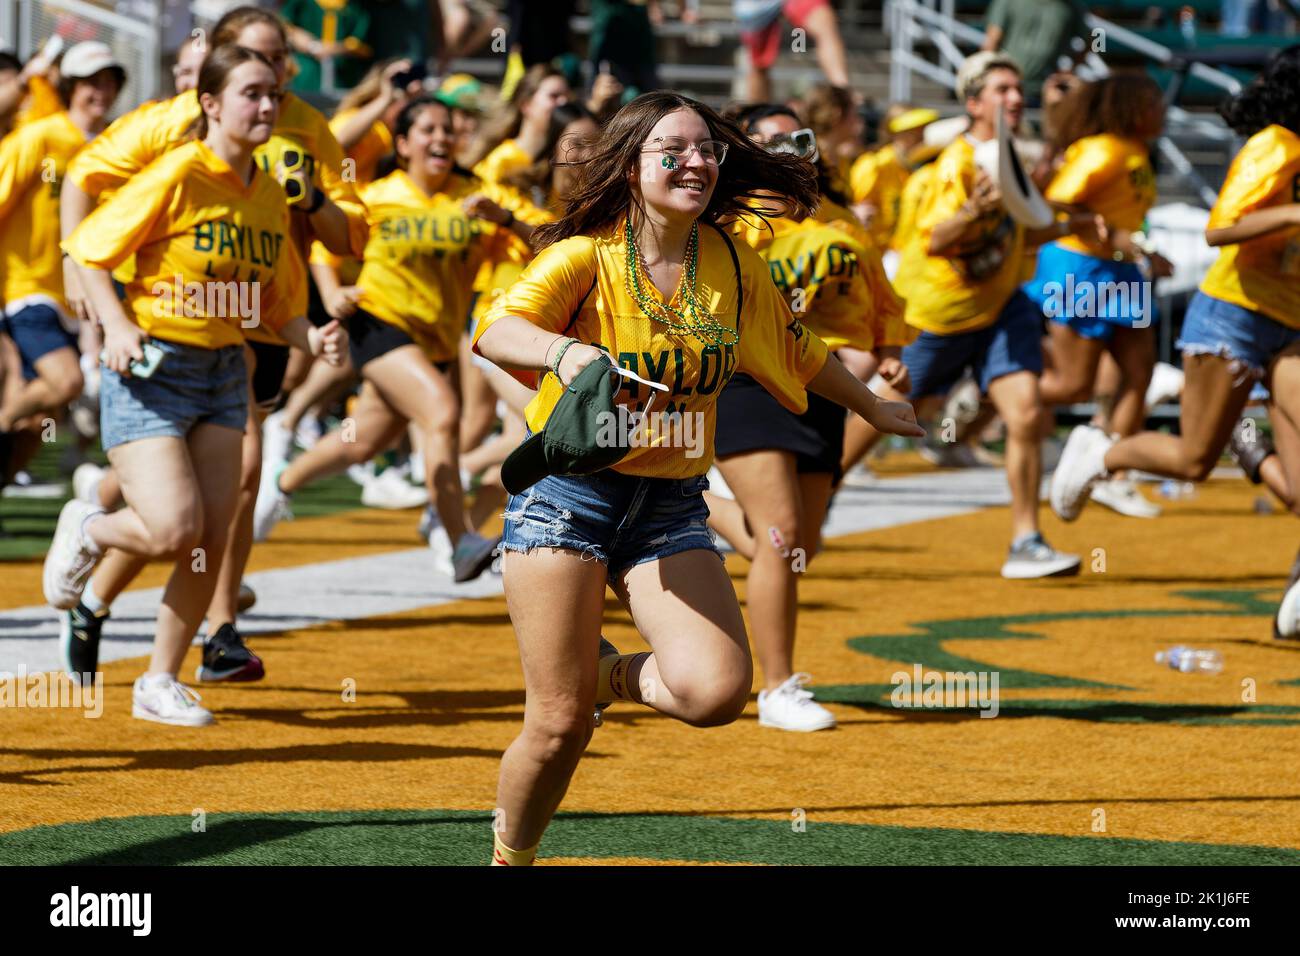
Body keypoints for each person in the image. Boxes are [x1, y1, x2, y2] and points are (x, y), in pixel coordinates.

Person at [472, 90, 924, 864]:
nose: (697, 162)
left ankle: (600, 672)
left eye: (708, 150)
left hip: (669, 504)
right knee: (558, 725)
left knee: (714, 693)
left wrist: (873, 407)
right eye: (673, 151)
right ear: (630, 165)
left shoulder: (733, 263)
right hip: (567, 501)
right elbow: (497, 330)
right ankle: (511, 857)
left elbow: (799, 346)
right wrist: (565, 352)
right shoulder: (587, 255)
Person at [58, 4, 368, 685]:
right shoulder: (170, 132)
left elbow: (348, 237)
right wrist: (96, 302)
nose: (274, 82)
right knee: (187, 513)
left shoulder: (303, 135)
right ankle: (152, 593)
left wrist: (313, 206)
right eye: (257, 68)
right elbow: (84, 189)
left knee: (214, 508)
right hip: (165, 340)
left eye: (280, 69)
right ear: (217, 74)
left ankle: (160, 629)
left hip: (249, 333)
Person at [1052, 46, 1300, 639]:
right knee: (1191, 460)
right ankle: (1102, 454)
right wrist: (1293, 215)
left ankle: (1292, 590)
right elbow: (1220, 229)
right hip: (1233, 317)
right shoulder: (1277, 145)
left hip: (1290, 325)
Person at [255, 96, 532, 582]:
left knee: (361, 445)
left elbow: (543, 241)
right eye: (427, 129)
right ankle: (457, 538)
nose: (441, 138)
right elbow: (325, 244)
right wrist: (332, 290)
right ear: (402, 143)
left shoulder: (477, 193)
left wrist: (504, 219)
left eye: (448, 129)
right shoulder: (379, 195)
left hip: (435, 343)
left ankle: (278, 483)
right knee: (443, 411)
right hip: (377, 322)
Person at [708, 102, 912, 732]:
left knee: (798, 547)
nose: (790, 146)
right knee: (780, 532)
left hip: (824, 387)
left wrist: (892, 357)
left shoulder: (845, 221)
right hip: (747, 380)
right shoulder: (727, 223)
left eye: (799, 135)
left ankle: (685, 500)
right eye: (771, 139)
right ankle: (777, 689)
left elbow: (880, 303)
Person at [892, 52, 1103, 579]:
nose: (1015, 97)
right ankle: (813, 499)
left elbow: (1021, 232)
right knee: (881, 412)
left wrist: (1069, 225)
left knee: (1027, 412)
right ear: (973, 102)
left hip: (1001, 304)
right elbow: (937, 239)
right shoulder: (958, 163)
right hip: (943, 313)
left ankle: (1026, 540)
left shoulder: (1005, 157)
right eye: (1001, 89)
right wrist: (972, 213)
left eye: (1016, 88)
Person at [1025, 74, 1172, 520]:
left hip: (1122, 269)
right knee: (1075, 384)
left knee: (1139, 371)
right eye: (1151, 102)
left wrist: (1139, 247)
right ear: (1129, 107)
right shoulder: (1102, 148)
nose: (1161, 109)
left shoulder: (1136, 150)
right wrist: (1109, 231)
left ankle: (1109, 470)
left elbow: (1125, 217)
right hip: (1081, 267)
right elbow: (1056, 203)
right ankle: (989, 392)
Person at [0, 43, 125, 491]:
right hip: (26, 287)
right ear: (70, 85)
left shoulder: (115, 147)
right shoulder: (39, 136)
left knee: (42, 421)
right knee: (67, 382)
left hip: (83, 298)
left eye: (110, 81)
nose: (102, 91)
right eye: (92, 81)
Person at [849, 106, 938, 252]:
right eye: (914, 131)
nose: (922, 138)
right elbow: (856, 215)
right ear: (897, 135)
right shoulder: (874, 166)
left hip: (898, 253)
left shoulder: (913, 168)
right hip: (872, 253)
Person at [735, 0, 849, 103]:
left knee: (824, 25)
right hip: (757, 5)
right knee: (759, 64)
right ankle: (758, 115)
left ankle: (843, 94)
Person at [981, 0, 1089, 105]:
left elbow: (1096, 37)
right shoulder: (1006, 2)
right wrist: (989, 79)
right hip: (1007, 92)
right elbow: (991, 43)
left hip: (1045, 93)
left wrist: (1071, 70)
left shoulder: (1072, 6)